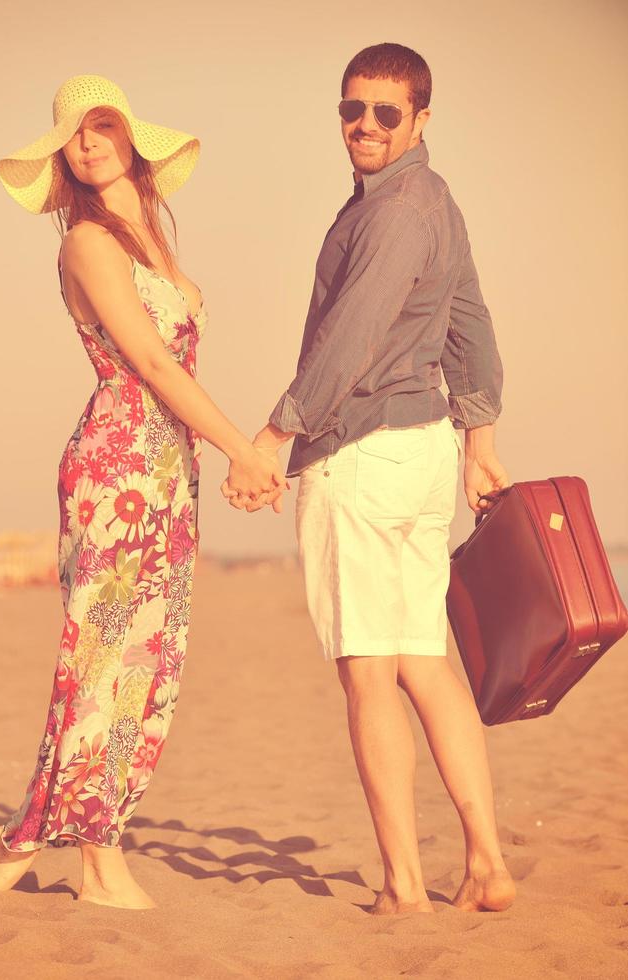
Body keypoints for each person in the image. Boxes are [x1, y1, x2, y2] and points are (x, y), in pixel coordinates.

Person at [0, 75, 287, 908]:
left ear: (131, 138)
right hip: (117, 469)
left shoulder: (151, 242)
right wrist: (238, 452)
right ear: (63, 157)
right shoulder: (87, 244)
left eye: (101, 125)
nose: (88, 141)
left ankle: (60, 840)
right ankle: (68, 849)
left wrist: (215, 456)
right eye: (73, 133)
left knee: (149, 664)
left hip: (165, 467)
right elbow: (148, 362)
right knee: (101, 657)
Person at [224, 43, 516, 914]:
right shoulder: (436, 201)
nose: (365, 126)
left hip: (362, 455)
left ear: (421, 118)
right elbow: (472, 326)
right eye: (352, 109)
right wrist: (479, 439)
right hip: (422, 454)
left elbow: (349, 338)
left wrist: (272, 434)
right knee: (425, 662)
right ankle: (488, 865)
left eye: (386, 113)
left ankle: (402, 885)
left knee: (368, 672)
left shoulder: (392, 213)